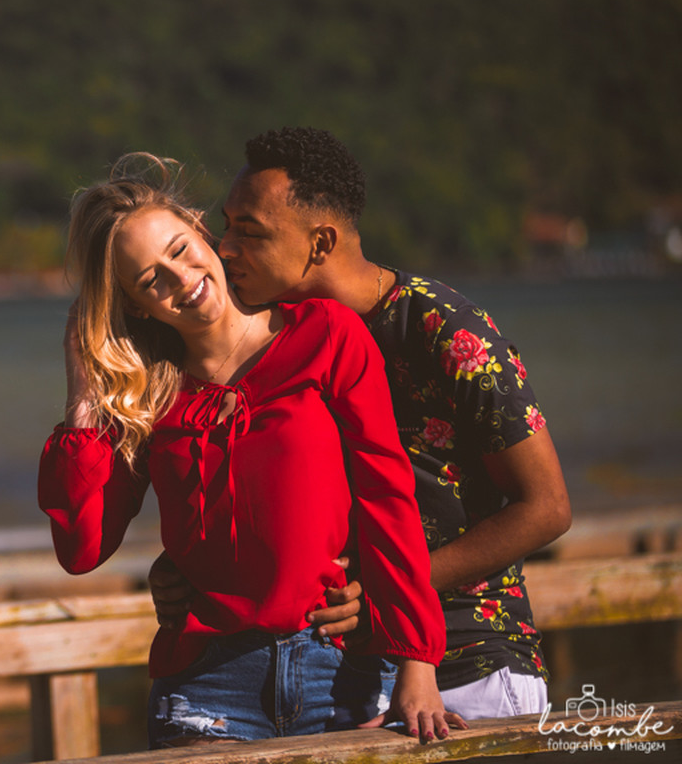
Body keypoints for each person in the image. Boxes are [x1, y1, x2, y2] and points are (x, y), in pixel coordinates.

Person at [38, 153, 464, 747]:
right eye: (149, 279)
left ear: (201, 232)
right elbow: (81, 549)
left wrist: (417, 660)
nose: (181, 280)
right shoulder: (151, 394)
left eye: (180, 249)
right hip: (206, 688)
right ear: (137, 305)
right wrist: (83, 397)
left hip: (338, 672)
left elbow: (385, 495)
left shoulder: (325, 335)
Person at [151, 127, 572, 721]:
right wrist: (183, 566)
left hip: (469, 659)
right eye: (226, 226)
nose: (224, 249)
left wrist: (391, 584)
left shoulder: (442, 330)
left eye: (250, 231)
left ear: (319, 241)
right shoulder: (275, 340)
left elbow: (547, 507)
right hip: (347, 665)